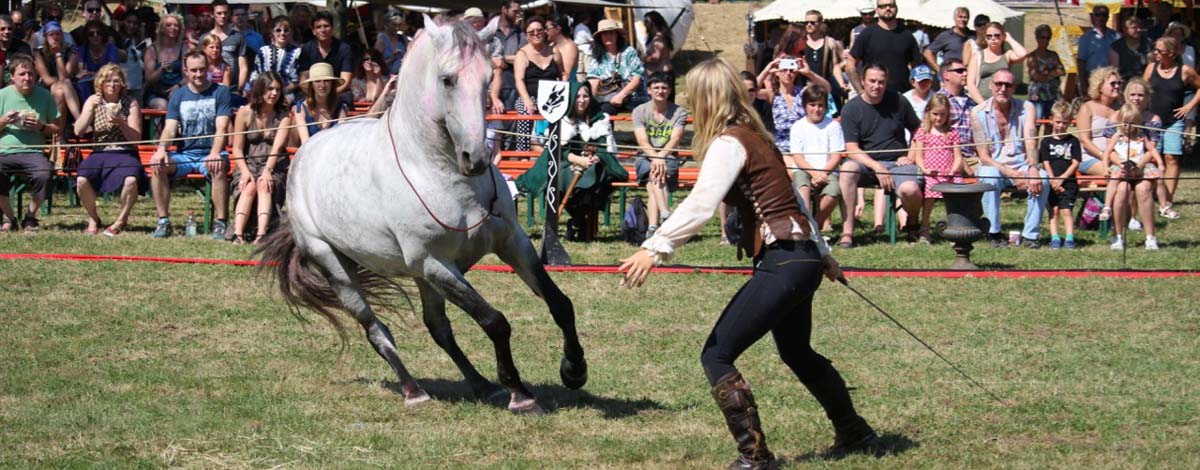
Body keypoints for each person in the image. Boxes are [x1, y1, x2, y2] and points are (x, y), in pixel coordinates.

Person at [618, 58, 878, 469]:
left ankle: (755, 457)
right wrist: (823, 255)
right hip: (801, 257)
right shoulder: (758, 136)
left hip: (787, 261)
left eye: (693, 97)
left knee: (716, 355)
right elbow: (795, 200)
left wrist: (654, 247)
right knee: (796, 351)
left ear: (708, 99)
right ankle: (855, 431)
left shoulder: (730, 142)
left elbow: (702, 203)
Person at [516, 82, 626, 242]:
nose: (582, 100)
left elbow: (605, 147)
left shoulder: (599, 119)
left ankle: (577, 223)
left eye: (586, 96)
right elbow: (557, 151)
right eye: (578, 96)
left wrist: (596, 157)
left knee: (593, 176)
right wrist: (577, 159)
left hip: (593, 164)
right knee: (558, 177)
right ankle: (579, 222)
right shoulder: (562, 121)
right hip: (567, 164)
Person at [147, 50, 234, 239]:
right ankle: (163, 221)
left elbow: (222, 127)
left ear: (208, 68)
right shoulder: (178, 96)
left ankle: (221, 222)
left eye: (202, 69)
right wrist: (161, 149)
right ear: (185, 71)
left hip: (210, 152)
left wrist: (215, 152)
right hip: (184, 154)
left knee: (218, 165)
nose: (199, 74)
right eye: (193, 70)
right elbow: (170, 128)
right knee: (157, 165)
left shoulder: (221, 92)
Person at [838, 63, 923, 248]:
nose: (876, 86)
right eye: (872, 81)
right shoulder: (851, 109)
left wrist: (911, 155)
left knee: (910, 189)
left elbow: (919, 130)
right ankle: (847, 232)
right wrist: (877, 167)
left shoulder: (899, 101)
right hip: (866, 164)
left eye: (881, 82)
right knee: (847, 169)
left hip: (899, 162)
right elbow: (851, 148)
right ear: (862, 81)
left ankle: (913, 222)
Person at [970, 68, 1048, 249]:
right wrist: (1012, 173)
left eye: (1008, 85)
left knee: (1042, 179)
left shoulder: (1027, 108)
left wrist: (1033, 168)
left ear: (1014, 88)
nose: (1003, 89)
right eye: (999, 84)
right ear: (991, 86)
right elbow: (984, 157)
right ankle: (993, 232)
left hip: (1022, 163)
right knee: (989, 174)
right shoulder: (977, 113)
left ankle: (1031, 235)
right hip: (995, 165)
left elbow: (1030, 142)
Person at [73, 64, 145, 236]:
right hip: (100, 150)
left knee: (131, 180)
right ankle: (93, 218)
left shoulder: (130, 102)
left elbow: (136, 140)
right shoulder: (93, 100)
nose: (112, 85)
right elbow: (78, 131)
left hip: (125, 150)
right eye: (108, 81)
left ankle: (121, 220)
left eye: (116, 81)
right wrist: (89, 108)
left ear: (122, 84)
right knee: (82, 179)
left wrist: (121, 122)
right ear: (101, 83)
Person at [0, 54, 62, 233]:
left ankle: (30, 216)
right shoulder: (2, 95)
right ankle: (9, 217)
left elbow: (57, 128)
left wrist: (41, 126)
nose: (27, 78)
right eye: (22, 74)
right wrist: (5, 121)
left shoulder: (44, 95)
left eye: (31, 74)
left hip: (33, 152)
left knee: (45, 173)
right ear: (12, 76)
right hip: (4, 151)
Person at [231, 72, 291, 245]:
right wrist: (244, 171)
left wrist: (267, 171)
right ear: (260, 89)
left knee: (264, 185)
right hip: (248, 163)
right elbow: (237, 148)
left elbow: (277, 148)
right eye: (270, 89)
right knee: (249, 187)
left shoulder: (284, 116)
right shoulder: (245, 113)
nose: (274, 93)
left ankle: (262, 234)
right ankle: (238, 233)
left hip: (274, 163)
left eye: (278, 90)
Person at [1144, 36, 1198, 219]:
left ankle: (1167, 200)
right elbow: (1142, 89)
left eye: (1159, 51)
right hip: (1153, 120)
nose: (1155, 53)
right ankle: (1151, 196)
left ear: (1172, 53)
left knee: (1171, 158)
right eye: (1155, 50)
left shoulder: (1185, 71)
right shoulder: (1151, 68)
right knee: (1153, 158)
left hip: (1174, 120)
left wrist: (1189, 106)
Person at [633, 72, 688, 235]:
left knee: (652, 182)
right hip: (645, 156)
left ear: (670, 91)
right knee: (655, 174)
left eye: (664, 87)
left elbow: (675, 139)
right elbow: (642, 141)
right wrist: (655, 158)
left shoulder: (679, 112)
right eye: (656, 87)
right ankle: (665, 214)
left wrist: (660, 157)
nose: (660, 91)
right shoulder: (639, 111)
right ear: (649, 90)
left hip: (668, 156)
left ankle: (652, 227)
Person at [1104, 104, 1163, 250]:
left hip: (1138, 167)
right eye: (1125, 123)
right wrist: (1107, 166)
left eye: (1132, 123)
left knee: (1150, 184)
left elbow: (1151, 150)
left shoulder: (1141, 136)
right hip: (1122, 168)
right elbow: (1108, 152)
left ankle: (1152, 234)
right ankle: (1115, 232)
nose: (1128, 126)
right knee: (1121, 189)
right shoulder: (1117, 135)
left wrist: (1159, 163)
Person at [788, 84, 844, 231]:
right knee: (803, 189)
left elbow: (836, 155)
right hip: (804, 169)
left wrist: (823, 174)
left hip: (827, 170)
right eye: (812, 105)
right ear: (805, 106)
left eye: (820, 105)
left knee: (834, 192)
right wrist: (814, 174)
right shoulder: (798, 127)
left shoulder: (833, 126)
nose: (816, 109)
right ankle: (804, 224)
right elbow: (798, 157)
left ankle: (815, 224)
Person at [909, 93, 963, 243]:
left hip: (949, 173)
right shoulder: (923, 133)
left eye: (943, 115)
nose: (939, 118)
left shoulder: (952, 133)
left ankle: (956, 228)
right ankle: (924, 228)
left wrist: (953, 169)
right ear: (928, 112)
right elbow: (918, 157)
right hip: (931, 174)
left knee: (957, 193)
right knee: (930, 193)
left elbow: (958, 156)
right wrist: (925, 169)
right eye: (935, 114)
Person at [758, 55, 832, 152]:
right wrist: (766, 71)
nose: (788, 73)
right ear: (777, 72)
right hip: (781, 147)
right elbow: (747, 91)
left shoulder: (803, 92)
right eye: (784, 70)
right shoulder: (771, 94)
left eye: (791, 70)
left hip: (804, 145)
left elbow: (827, 89)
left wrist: (809, 73)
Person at [847, 0, 922, 95]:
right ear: (877, 10)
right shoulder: (867, 34)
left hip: (902, 95)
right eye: (883, 6)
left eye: (891, 5)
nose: (887, 9)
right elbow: (850, 63)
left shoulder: (907, 36)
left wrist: (915, 89)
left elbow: (916, 65)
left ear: (896, 8)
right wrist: (860, 90)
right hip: (874, 95)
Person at [513, 16, 564, 152]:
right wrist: (527, 100)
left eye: (539, 30)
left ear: (545, 32)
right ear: (527, 36)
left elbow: (563, 74)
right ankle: (522, 155)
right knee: (525, 112)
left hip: (552, 98)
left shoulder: (554, 52)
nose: (536, 34)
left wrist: (565, 93)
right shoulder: (522, 54)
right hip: (530, 96)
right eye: (532, 32)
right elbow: (519, 80)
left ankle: (560, 151)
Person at [1038, 101, 1081, 250]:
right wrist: (1053, 180)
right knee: (1053, 210)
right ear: (1051, 120)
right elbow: (1045, 162)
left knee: (1066, 210)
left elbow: (1075, 163)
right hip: (1051, 182)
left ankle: (1069, 238)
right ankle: (1055, 237)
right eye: (1058, 122)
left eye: (1065, 122)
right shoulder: (1046, 141)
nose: (1061, 126)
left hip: (1068, 181)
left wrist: (1062, 179)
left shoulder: (1073, 141)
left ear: (1070, 122)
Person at [587, 19, 645, 115]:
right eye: (604, 34)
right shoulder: (596, 56)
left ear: (617, 35)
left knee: (604, 110)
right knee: (595, 110)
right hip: (606, 96)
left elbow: (637, 79)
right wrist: (589, 100)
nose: (608, 36)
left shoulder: (629, 52)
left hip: (632, 96)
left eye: (611, 33)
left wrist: (621, 96)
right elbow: (593, 81)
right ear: (600, 37)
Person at [1076, 66, 1122, 178]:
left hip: (1117, 156)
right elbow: (1084, 140)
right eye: (1113, 84)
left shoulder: (1122, 109)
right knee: (1117, 173)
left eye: (1119, 83)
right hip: (1091, 157)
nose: (1117, 86)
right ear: (1100, 87)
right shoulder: (1087, 108)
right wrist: (1104, 156)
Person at [297, 11, 353, 102]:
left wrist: (328, 97)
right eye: (318, 27)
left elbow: (345, 81)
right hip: (312, 93)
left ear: (332, 28)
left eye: (326, 26)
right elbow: (303, 79)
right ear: (313, 31)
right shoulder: (307, 49)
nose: (323, 30)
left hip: (338, 92)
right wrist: (317, 97)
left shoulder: (344, 49)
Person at [966, 22, 1027, 104]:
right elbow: (970, 84)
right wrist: (983, 105)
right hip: (980, 103)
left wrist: (1009, 38)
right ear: (985, 38)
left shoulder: (1007, 55)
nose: (993, 38)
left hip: (1002, 102)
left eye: (997, 35)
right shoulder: (978, 56)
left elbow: (1023, 54)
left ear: (1002, 36)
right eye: (989, 36)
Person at [936, 58, 978, 173]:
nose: (965, 73)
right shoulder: (938, 101)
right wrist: (961, 162)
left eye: (965, 70)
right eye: (959, 71)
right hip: (947, 157)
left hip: (973, 158)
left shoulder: (971, 102)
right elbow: (934, 137)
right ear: (946, 75)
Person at [33, 21, 81, 121]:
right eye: (51, 34)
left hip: (67, 89)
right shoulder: (39, 53)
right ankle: (79, 119)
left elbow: (64, 77)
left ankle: (58, 133)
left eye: (58, 34)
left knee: (60, 91)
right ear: (46, 37)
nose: (55, 37)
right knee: (64, 84)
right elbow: (47, 80)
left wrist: (58, 54)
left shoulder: (71, 51)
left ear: (62, 35)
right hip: (47, 87)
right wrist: (57, 54)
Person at [199, 0, 248, 95]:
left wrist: (240, 89)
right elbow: (199, 63)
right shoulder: (205, 38)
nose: (223, 16)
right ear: (212, 14)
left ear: (229, 14)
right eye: (219, 13)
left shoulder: (238, 37)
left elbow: (243, 66)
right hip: (208, 88)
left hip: (233, 89)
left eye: (225, 13)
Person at [293, 63, 347, 145]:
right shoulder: (301, 108)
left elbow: (341, 138)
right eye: (317, 81)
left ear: (332, 84)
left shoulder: (340, 108)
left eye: (326, 81)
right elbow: (305, 142)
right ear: (311, 85)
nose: (322, 85)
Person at [802, 10, 847, 108]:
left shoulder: (829, 42)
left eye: (813, 23)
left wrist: (841, 84)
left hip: (825, 87)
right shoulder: (800, 42)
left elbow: (835, 66)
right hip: (805, 87)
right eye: (806, 22)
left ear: (820, 24)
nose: (809, 25)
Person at [71, 20, 125, 100]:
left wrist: (94, 74)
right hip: (88, 84)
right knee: (82, 84)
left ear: (103, 34)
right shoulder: (82, 49)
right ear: (87, 36)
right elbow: (82, 71)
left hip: (107, 80)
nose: (95, 36)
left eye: (99, 33)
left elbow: (113, 70)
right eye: (91, 34)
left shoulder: (111, 49)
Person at [252, 17, 301, 104]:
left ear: (291, 32)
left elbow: (296, 81)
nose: (282, 33)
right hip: (264, 92)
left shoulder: (297, 52)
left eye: (286, 30)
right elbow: (256, 74)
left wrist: (280, 92)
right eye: (278, 30)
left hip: (287, 93)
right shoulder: (263, 51)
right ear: (272, 32)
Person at [1027, 24, 1066, 131]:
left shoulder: (1053, 55)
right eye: (1042, 37)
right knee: (1036, 123)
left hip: (1052, 94)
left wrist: (1047, 74)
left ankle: (1046, 146)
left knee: (1050, 123)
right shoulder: (1032, 56)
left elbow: (1062, 71)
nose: (1045, 40)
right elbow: (1035, 75)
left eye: (1048, 37)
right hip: (1037, 95)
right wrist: (1053, 74)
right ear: (1037, 38)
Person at [144, 13, 186, 110]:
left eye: (176, 25)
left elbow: (187, 76)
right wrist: (160, 70)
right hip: (156, 92)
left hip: (178, 89)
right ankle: (160, 125)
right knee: (162, 105)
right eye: (169, 25)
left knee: (175, 98)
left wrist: (178, 86)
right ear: (162, 29)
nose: (173, 28)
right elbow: (149, 79)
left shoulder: (184, 48)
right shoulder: (152, 50)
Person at [1077, 5, 1119, 95]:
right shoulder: (1086, 38)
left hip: (1111, 79)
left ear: (1108, 17)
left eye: (1104, 15)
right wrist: (1083, 84)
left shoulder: (1116, 37)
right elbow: (1081, 62)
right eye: (1098, 14)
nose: (1101, 17)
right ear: (1092, 17)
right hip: (1092, 79)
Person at [925, 7, 971, 71]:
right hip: (952, 75)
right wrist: (939, 70)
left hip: (970, 74)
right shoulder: (946, 36)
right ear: (954, 18)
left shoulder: (973, 36)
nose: (963, 20)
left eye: (965, 17)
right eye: (960, 17)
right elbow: (928, 52)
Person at [117, 13, 148, 106]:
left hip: (137, 84)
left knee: (137, 112)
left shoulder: (138, 40)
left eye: (135, 23)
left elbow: (146, 59)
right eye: (128, 22)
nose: (131, 26)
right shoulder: (117, 38)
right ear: (122, 22)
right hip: (121, 84)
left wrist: (142, 36)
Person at [640, 12, 674, 96]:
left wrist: (642, 58)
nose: (644, 23)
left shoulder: (658, 39)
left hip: (661, 76)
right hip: (658, 76)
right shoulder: (657, 38)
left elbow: (655, 57)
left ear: (653, 22)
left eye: (646, 21)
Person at [1110, 16, 1151, 81]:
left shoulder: (1148, 44)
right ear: (1125, 29)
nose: (1139, 30)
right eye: (1135, 27)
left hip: (1143, 82)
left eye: (1140, 27)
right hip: (1123, 82)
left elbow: (1151, 67)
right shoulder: (1117, 46)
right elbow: (1115, 70)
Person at [0, 15, 34, 87]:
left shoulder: (23, 48)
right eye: (2, 29)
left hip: (16, 87)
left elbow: (26, 71)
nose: (6, 32)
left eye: (9, 29)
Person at [547, 14, 580, 82]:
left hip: (567, 87)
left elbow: (567, 75)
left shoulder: (570, 47)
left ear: (558, 29)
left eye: (547, 28)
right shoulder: (551, 45)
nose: (545, 31)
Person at [375, 11, 407, 76]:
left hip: (404, 76)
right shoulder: (381, 40)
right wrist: (392, 58)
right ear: (386, 24)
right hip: (388, 78)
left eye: (399, 25)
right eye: (394, 25)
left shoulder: (403, 38)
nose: (397, 28)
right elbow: (376, 64)